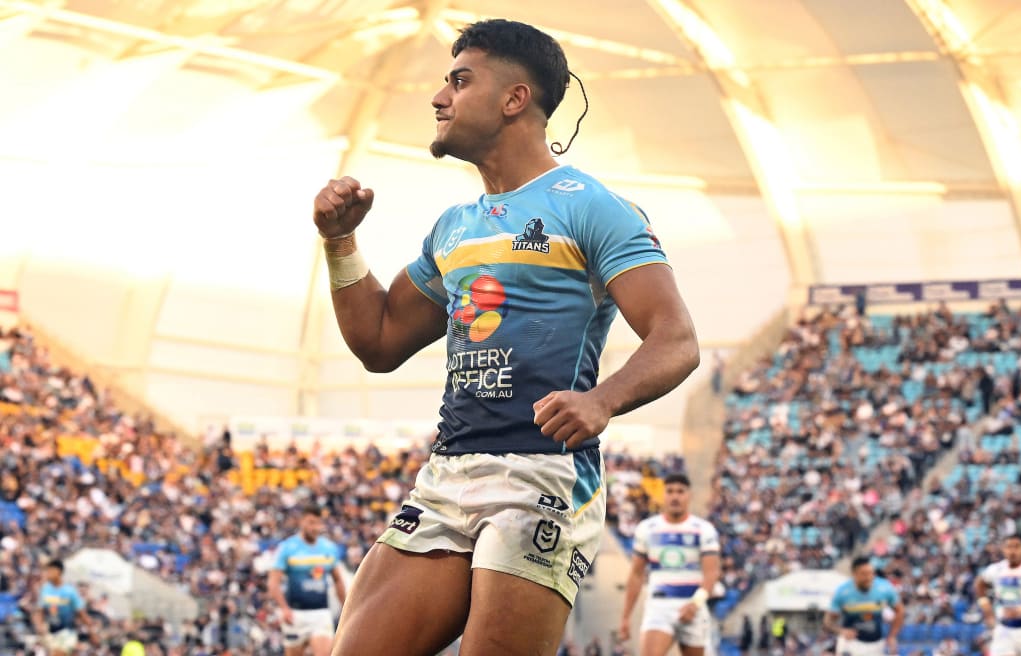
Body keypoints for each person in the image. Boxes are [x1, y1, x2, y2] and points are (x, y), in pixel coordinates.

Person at [312, 18, 699, 656]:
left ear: (514, 100)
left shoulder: (590, 206)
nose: (440, 97)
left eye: (459, 82)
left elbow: (676, 337)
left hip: (541, 476)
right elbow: (379, 342)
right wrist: (340, 242)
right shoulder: (454, 227)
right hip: (448, 475)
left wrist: (601, 401)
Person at [618, 473, 721, 656]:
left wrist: (695, 604)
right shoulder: (647, 529)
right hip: (659, 606)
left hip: (693, 607)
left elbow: (711, 574)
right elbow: (636, 574)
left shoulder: (703, 529)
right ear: (663, 495)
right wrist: (626, 616)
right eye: (670, 491)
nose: (675, 496)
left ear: (689, 495)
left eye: (680, 491)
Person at [268, 505, 347, 656]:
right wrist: (284, 608)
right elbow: (273, 582)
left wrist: (345, 608)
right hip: (295, 614)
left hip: (321, 613)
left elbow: (338, 579)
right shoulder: (287, 547)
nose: (315, 527)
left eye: (318, 523)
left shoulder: (328, 548)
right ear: (302, 522)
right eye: (311, 522)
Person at [974, 533, 1021, 656]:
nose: (1012, 551)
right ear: (1003, 549)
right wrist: (985, 606)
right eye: (1009, 547)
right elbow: (979, 583)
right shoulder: (996, 569)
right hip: (1004, 628)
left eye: (1016, 546)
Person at [824, 556, 903, 656]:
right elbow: (828, 621)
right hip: (850, 643)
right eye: (864, 574)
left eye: (871, 573)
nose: (869, 577)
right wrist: (841, 630)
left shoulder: (885, 588)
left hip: (876, 643)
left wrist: (892, 636)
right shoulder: (842, 592)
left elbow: (900, 610)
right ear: (854, 574)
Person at [33, 559, 90, 656]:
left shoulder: (70, 591)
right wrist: (39, 625)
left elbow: (81, 612)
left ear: (58, 571)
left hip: (67, 632)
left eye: (50, 570)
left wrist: (91, 627)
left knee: (57, 654)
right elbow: (39, 611)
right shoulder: (45, 589)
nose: (47, 573)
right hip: (51, 632)